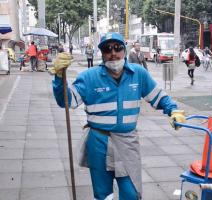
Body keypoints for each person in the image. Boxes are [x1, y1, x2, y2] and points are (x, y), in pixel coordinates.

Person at [49, 32, 186, 200]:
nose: (113, 53)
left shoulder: (138, 74)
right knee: (103, 194)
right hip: (98, 141)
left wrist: (173, 110)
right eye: (107, 49)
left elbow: (158, 97)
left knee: (131, 192)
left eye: (117, 47)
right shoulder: (89, 77)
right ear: (102, 53)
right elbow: (66, 101)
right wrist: (58, 78)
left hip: (127, 142)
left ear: (124, 50)